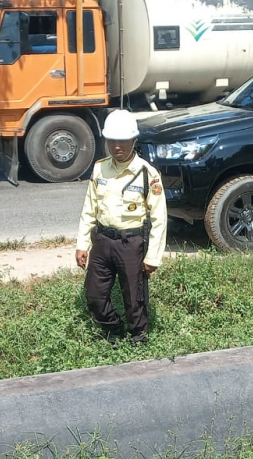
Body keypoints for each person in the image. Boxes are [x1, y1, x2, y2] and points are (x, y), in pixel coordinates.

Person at [75, 110, 168, 344]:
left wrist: (153, 257)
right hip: (102, 241)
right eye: (112, 140)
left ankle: (138, 337)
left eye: (123, 140)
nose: (117, 146)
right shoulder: (100, 168)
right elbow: (89, 208)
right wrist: (82, 244)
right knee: (94, 296)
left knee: (135, 297)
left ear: (134, 141)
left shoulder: (147, 174)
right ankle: (113, 330)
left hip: (131, 244)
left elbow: (159, 218)